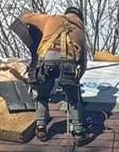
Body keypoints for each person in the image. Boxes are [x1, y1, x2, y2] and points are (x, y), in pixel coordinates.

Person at [11, 7, 91, 140]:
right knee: (73, 99)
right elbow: (82, 65)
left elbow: (25, 17)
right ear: (79, 19)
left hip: (46, 61)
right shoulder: (79, 33)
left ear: (66, 14)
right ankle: (79, 132)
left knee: (42, 95)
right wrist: (74, 83)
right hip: (68, 64)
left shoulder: (51, 19)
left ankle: (41, 128)